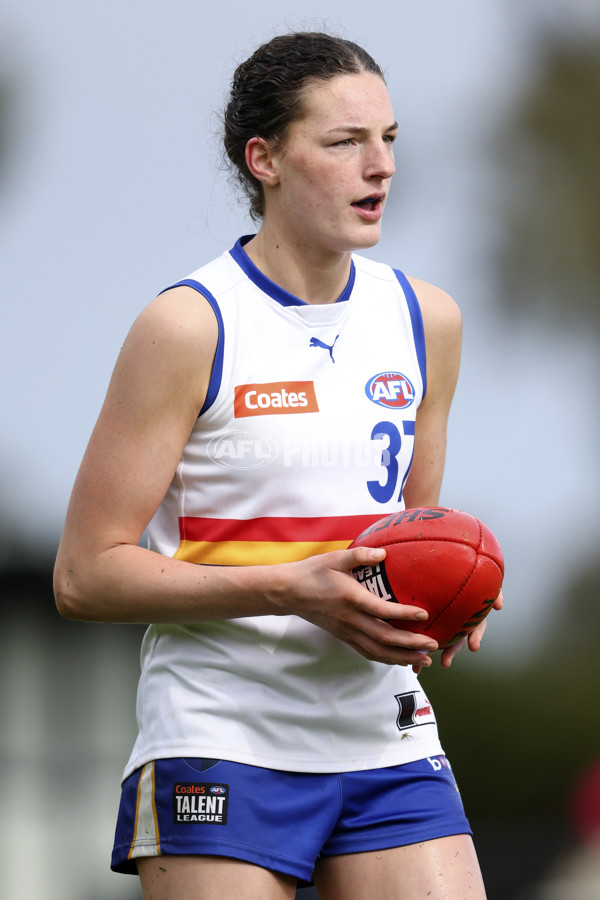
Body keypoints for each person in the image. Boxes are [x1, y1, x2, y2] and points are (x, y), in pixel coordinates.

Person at [54, 31, 502, 900]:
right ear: (264, 159)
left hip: (385, 735)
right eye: (344, 143)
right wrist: (290, 587)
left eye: (390, 140)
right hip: (222, 739)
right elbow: (84, 575)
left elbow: (408, 542)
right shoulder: (189, 327)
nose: (381, 168)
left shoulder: (427, 320)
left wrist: (448, 597)